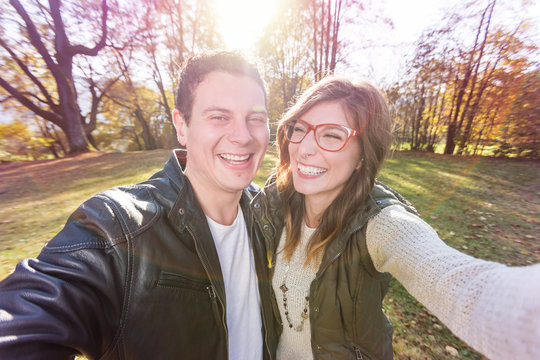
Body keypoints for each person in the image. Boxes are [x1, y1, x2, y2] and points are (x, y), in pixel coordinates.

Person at [0, 51, 279, 359]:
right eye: (219, 117)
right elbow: (27, 320)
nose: (243, 136)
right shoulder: (116, 226)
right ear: (181, 126)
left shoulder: (269, 211)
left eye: (256, 119)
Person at [251, 76, 540, 360]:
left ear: (363, 157)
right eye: (300, 128)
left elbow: (458, 282)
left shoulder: (380, 224)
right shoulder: (274, 203)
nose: (304, 148)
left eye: (332, 135)